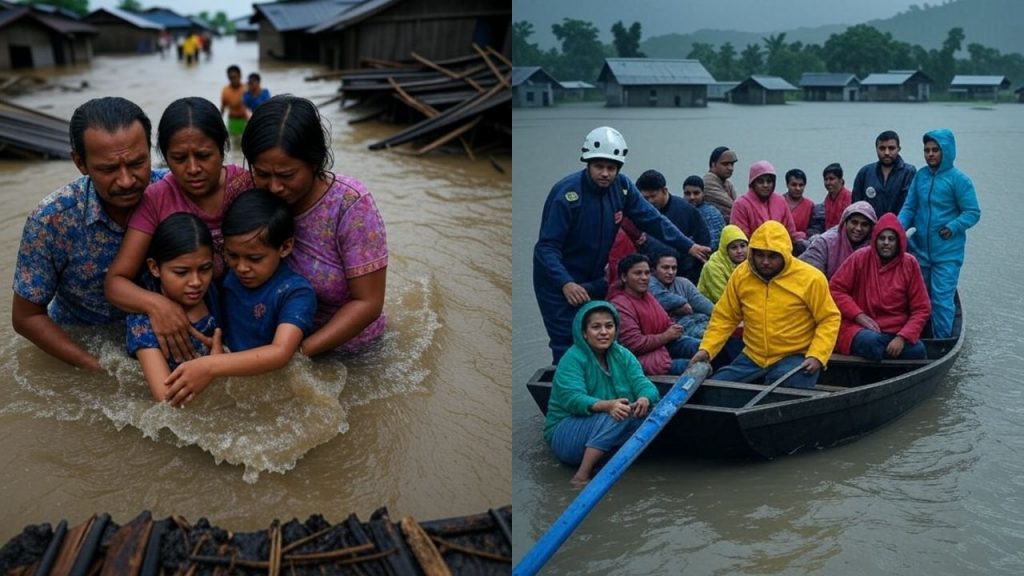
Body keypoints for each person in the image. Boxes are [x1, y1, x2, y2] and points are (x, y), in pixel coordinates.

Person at [532, 126, 710, 363]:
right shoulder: (567, 195)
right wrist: (566, 283)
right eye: (599, 167)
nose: (605, 173)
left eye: (611, 168)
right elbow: (546, 248)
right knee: (567, 343)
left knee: (601, 338)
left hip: (594, 277)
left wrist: (688, 245)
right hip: (558, 280)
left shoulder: (622, 188)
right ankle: (564, 393)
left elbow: (653, 220)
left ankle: (602, 388)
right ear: (587, 163)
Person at [12, 96, 165, 370]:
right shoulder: (52, 220)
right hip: (86, 340)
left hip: (159, 332)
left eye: (137, 163)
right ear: (80, 163)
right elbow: (26, 316)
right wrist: (94, 367)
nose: (127, 180)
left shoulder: (172, 193)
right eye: (108, 169)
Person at [105, 96, 252, 364]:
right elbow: (116, 283)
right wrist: (157, 305)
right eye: (179, 158)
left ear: (223, 148)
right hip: (190, 315)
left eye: (204, 156)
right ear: (165, 158)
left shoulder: (246, 187)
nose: (193, 168)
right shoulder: (157, 199)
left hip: (243, 311)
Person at [242, 95, 388, 356]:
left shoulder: (350, 205)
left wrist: (297, 354)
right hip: (277, 344)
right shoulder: (248, 191)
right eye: (263, 173)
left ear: (315, 161)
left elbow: (368, 302)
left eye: (287, 175)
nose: (274, 187)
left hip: (351, 351)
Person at [160, 189, 317, 406]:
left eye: (254, 258)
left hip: (268, 390)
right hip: (225, 365)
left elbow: (280, 352)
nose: (241, 267)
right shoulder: (228, 276)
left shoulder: (296, 293)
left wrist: (211, 365)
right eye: (232, 255)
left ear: (285, 247)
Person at [688, 221, 840, 389]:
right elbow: (725, 317)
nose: (765, 262)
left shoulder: (811, 278)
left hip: (796, 355)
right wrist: (706, 350)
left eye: (772, 256)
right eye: (760, 255)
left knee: (784, 396)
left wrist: (817, 355)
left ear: (785, 254)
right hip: (753, 356)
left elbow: (829, 319)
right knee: (715, 390)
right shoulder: (741, 275)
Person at [544, 300, 660, 487]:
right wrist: (607, 405)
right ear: (584, 333)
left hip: (606, 423)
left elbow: (643, 383)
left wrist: (644, 398)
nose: (604, 332)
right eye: (596, 327)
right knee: (619, 415)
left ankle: (605, 463)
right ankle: (581, 476)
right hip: (566, 433)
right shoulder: (572, 359)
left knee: (651, 412)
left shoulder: (622, 354)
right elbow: (572, 399)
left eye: (609, 326)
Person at [126, 213, 221, 402]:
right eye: (181, 272)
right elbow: (166, 399)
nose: (196, 282)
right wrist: (214, 364)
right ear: (154, 268)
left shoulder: (212, 292)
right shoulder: (142, 324)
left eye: (205, 269)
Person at [898, 128, 981, 338]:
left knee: (942, 299)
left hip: (947, 253)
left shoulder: (959, 180)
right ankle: (918, 336)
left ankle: (941, 341)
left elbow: (972, 212)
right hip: (920, 250)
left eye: (935, 150)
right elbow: (909, 207)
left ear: (946, 151)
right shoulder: (921, 176)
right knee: (918, 298)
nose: (930, 154)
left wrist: (953, 226)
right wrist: (897, 229)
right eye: (927, 150)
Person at [829, 214, 931, 360]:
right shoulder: (859, 258)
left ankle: (880, 355)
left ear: (899, 242)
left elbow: (922, 308)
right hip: (860, 328)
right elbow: (836, 289)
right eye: (882, 238)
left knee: (918, 351)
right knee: (872, 342)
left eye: (891, 239)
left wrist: (902, 337)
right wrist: (859, 316)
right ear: (875, 240)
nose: (886, 243)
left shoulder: (910, 263)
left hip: (896, 331)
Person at [610, 254, 700, 376]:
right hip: (642, 358)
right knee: (698, 367)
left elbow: (666, 322)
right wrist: (666, 336)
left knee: (705, 348)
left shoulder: (648, 297)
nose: (644, 277)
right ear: (624, 277)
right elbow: (634, 344)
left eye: (647, 273)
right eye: (638, 273)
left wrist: (673, 329)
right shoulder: (620, 305)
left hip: (664, 346)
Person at [635, 169, 711, 285]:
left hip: (683, 277)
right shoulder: (639, 212)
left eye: (653, 196)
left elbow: (703, 243)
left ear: (665, 191)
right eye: (645, 198)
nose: (649, 202)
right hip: (648, 277)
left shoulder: (686, 210)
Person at [799, 201, 877, 279]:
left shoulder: (875, 246)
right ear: (845, 222)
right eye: (854, 222)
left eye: (864, 224)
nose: (858, 228)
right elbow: (808, 275)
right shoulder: (825, 243)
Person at [729, 160, 799, 245]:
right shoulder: (741, 204)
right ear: (753, 183)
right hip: (753, 253)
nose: (765, 185)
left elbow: (790, 232)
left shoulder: (780, 201)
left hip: (781, 252)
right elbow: (741, 239)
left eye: (769, 181)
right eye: (760, 182)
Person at [648, 251, 713, 340]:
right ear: (653, 270)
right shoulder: (648, 284)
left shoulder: (683, 283)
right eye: (665, 268)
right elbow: (684, 307)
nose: (670, 272)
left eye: (674, 268)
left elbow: (706, 306)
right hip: (680, 333)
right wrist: (682, 304)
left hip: (701, 322)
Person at [852, 130, 917, 218]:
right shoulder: (865, 172)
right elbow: (856, 206)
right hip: (870, 228)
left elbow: (911, 206)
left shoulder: (909, 172)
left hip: (898, 227)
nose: (886, 152)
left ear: (899, 149)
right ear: (876, 149)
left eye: (891, 148)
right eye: (882, 148)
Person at [697, 224, 748, 303]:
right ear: (725, 250)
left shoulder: (749, 263)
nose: (739, 251)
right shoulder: (713, 267)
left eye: (743, 246)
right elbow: (723, 299)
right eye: (734, 247)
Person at [681, 174, 726, 251]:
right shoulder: (680, 212)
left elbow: (714, 243)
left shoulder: (712, 213)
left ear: (703, 193)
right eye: (687, 193)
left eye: (696, 193)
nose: (692, 197)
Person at [702, 146, 738, 221]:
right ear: (713, 165)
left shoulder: (727, 184)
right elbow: (735, 209)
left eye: (732, 164)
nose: (730, 168)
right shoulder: (708, 182)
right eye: (725, 164)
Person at [783, 168, 815, 241]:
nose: (798, 188)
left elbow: (813, 229)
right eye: (794, 185)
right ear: (787, 185)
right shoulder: (778, 202)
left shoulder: (810, 205)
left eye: (801, 185)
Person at [820, 162, 852, 231]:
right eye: (826, 179)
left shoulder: (849, 197)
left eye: (831, 179)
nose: (828, 183)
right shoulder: (827, 199)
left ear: (840, 180)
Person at [221, 65, 249, 139]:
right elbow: (223, 108)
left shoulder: (246, 89)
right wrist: (219, 122)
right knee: (234, 146)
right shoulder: (225, 90)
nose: (233, 80)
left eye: (235, 77)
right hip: (232, 121)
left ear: (240, 76)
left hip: (244, 120)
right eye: (230, 78)